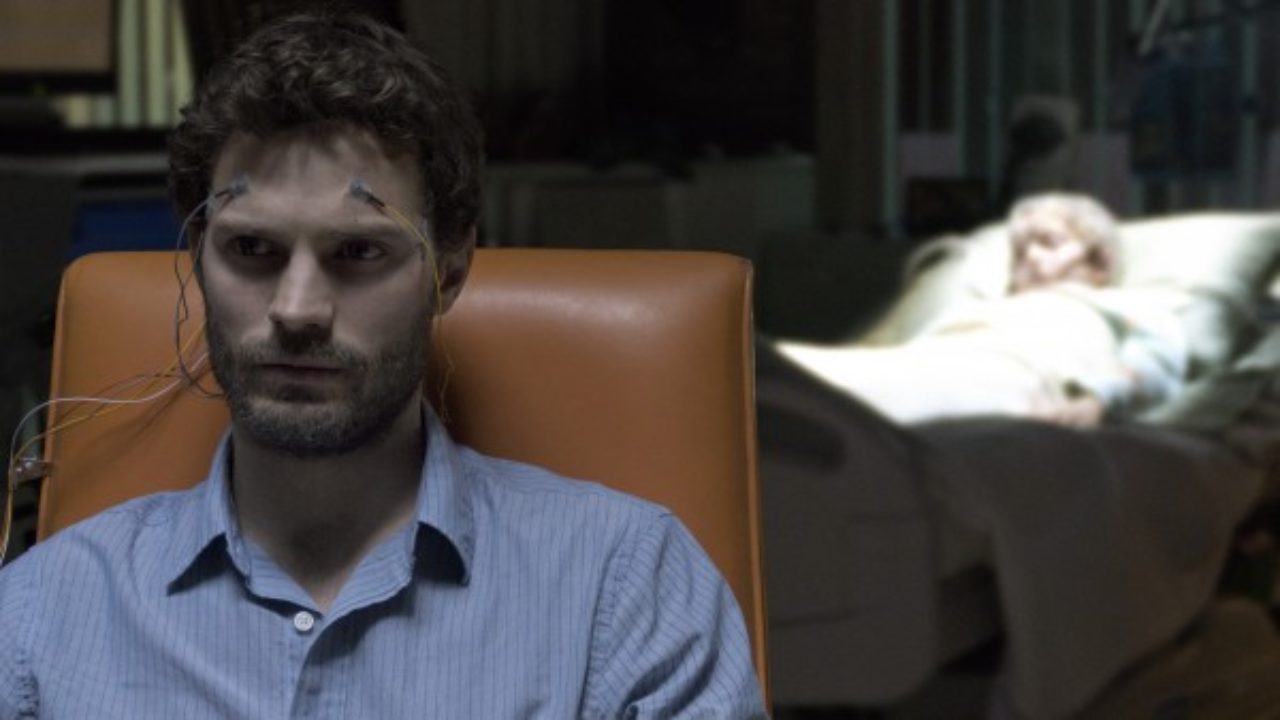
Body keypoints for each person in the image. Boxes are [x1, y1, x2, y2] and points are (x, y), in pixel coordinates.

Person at [0, 12, 765, 718]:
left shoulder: (623, 586)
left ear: (450, 269)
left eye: (360, 251)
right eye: (252, 249)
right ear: (198, 259)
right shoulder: (42, 612)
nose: (297, 309)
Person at [776, 193, 1188, 427]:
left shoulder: (1126, 306)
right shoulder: (990, 305)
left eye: (1048, 243)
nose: (1029, 258)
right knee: (789, 368)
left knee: (805, 391)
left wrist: (1100, 400)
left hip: (1014, 374)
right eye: (1020, 251)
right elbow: (915, 355)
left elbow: (1157, 362)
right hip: (934, 357)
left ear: (1099, 263)